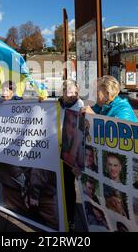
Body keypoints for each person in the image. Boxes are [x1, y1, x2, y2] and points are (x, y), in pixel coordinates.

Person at [58, 80, 84, 231]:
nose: (73, 95)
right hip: (54, 152)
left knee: (68, 187)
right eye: (70, 92)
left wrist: (77, 161)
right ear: (63, 92)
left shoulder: (80, 107)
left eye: (76, 92)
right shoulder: (56, 105)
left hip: (70, 155)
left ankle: (70, 218)